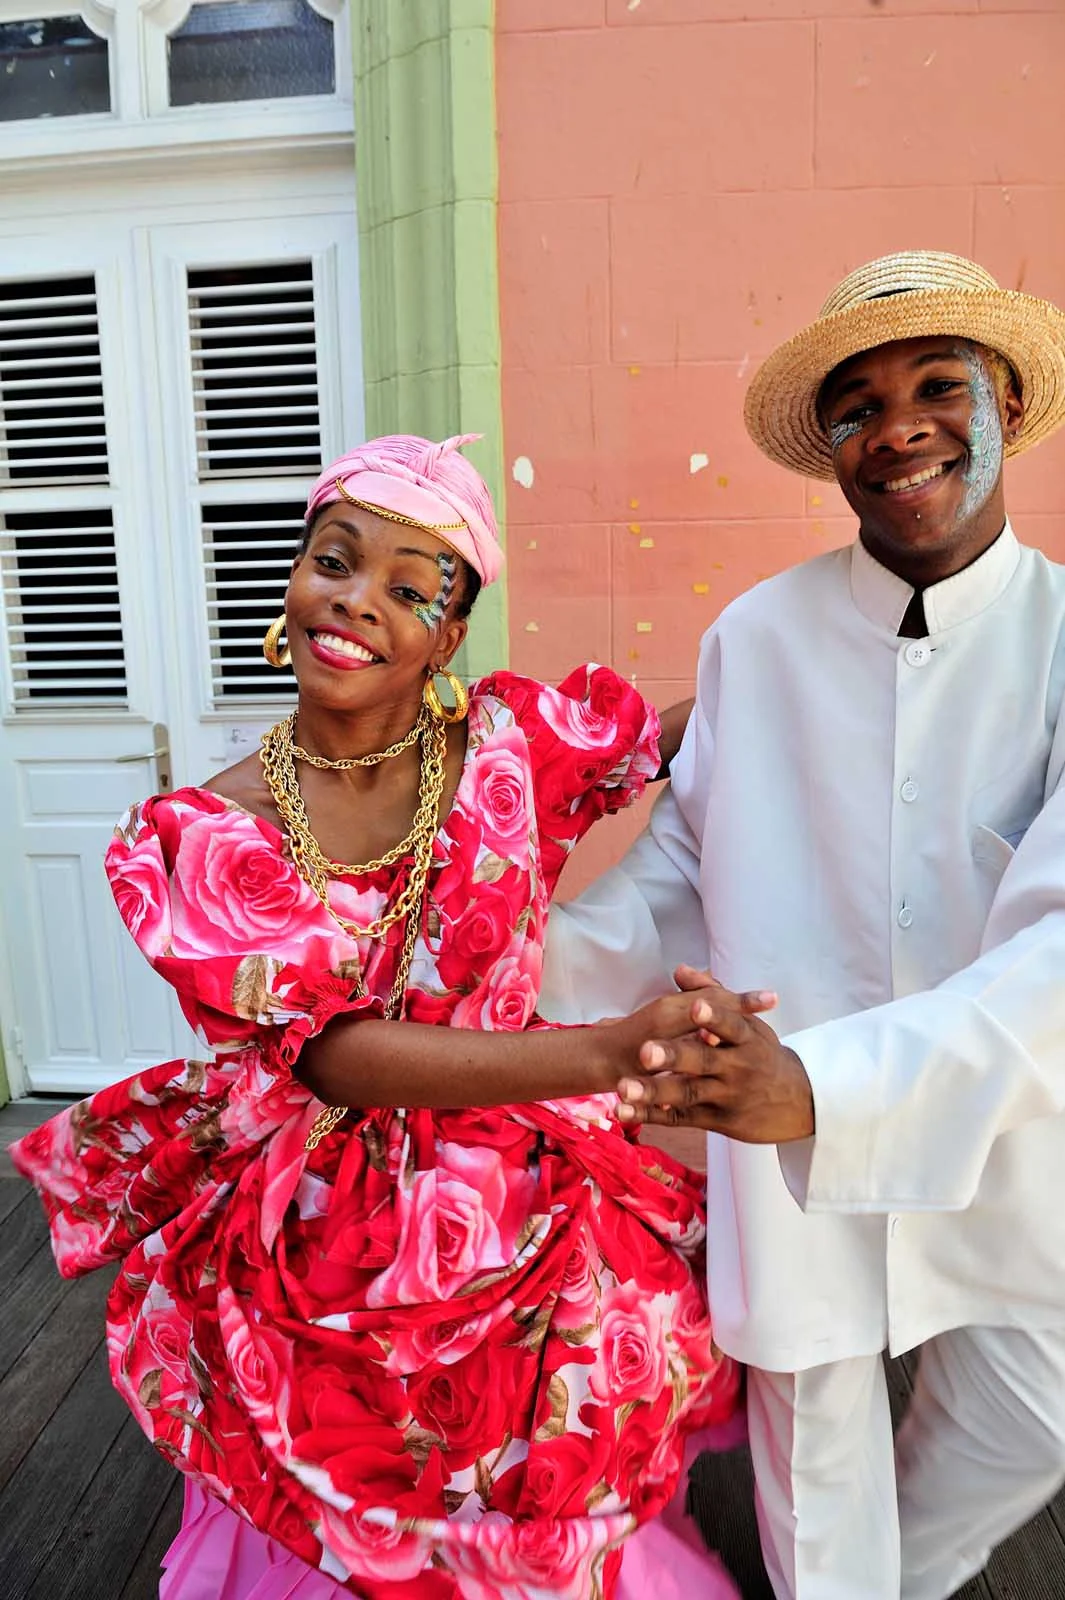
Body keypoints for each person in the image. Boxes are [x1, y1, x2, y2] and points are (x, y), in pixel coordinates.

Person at [11, 434, 742, 1600]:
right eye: (335, 561)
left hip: (535, 1202)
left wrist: (823, 652)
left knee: (549, 1470)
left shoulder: (510, 745)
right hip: (322, 1233)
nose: (355, 603)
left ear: (450, 636)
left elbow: (678, 731)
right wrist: (603, 1048)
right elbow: (337, 1059)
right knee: (360, 1499)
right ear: (293, 574)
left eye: (411, 588)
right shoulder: (203, 832)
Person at [540, 251, 1065, 1600]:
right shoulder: (756, 640)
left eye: (936, 385)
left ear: (1002, 397)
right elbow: (679, 868)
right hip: (778, 1154)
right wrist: (501, 988)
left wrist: (820, 1087)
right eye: (856, 405)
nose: (896, 429)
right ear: (830, 447)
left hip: (1012, 1140)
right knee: (818, 1487)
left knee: (1029, 1422)